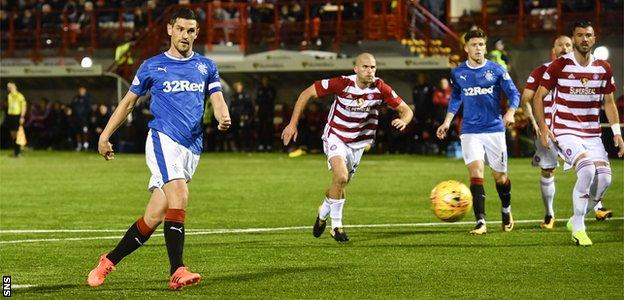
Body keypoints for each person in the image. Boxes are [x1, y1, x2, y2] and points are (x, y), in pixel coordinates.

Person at [87, 8, 231, 289]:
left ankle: (108, 261)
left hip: (192, 146)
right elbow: (128, 102)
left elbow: (217, 98)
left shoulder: (206, 66)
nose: (185, 35)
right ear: (170, 30)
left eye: (191, 31)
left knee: (153, 217)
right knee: (180, 194)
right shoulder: (152, 65)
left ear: (196, 33)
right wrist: (104, 135)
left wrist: (223, 115)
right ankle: (177, 270)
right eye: (180, 29)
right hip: (163, 139)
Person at [281, 53, 414, 242]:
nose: (370, 71)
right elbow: (306, 93)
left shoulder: (381, 88)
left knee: (339, 184)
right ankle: (336, 227)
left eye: (373, 67)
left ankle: (323, 212)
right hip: (336, 135)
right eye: (366, 67)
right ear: (356, 69)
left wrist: (404, 120)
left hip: (359, 143)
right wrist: (292, 124)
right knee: (341, 176)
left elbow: (406, 110)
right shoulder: (342, 83)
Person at [532, 20, 623, 246]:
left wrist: (616, 132)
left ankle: (575, 217)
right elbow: (537, 97)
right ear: (573, 39)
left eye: (588, 35)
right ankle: (580, 228)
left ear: (594, 38)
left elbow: (609, 103)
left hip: (592, 134)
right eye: (580, 35)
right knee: (587, 170)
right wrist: (544, 129)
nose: (584, 39)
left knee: (604, 180)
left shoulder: (604, 68)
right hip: (565, 131)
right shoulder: (560, 65)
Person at [522, 35, 613, 229]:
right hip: (547, 129)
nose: (564, 48)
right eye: (560, 45)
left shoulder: (586, 69)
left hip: (572, 129)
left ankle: (596, 206)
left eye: (568, 45)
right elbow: (527, 99)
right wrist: (536, 123)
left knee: (590, 167)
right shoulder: (541, 71)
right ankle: (549, 214)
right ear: (553, 49)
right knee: (548, 170)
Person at [436, 28, 520, 235]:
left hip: (494, 130)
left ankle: (506, 210)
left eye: (481, 45)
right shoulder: (458, 73)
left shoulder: (497, 70)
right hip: (470, 130)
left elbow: (514, 93)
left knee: (500, 178)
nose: (479, 48)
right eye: (474, 45)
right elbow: (456, 98)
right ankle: (480, 221)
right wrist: (447, 121)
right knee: (476, 173)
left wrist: (510, 112)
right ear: (466, 48)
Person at [5, 81, 27, 157]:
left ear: (15, 86)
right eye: (8, 87)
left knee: (17, 134)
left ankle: (18, 152)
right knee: (12, 134)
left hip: (16, 116)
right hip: (10, 116)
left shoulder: (20, 96)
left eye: (10, 86)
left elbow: (23, 107)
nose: (9, 88)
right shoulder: (9, 96)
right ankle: (15, 151)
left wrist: (22, 117)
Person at [256, 76, 276, 152]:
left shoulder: (271, 89)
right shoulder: (259, 89)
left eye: (266, 80)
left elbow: (271, 99)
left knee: (269, 129)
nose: (265, 82)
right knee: (260, 129)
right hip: (261, 112)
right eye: (263, 80)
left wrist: (263, 100)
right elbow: (257, 100)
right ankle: (261, 145)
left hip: (269, 112)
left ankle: (269, 145)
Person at [71, 86, 91, 151]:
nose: (81, 92)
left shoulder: (87, 99)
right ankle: (79, 145)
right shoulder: (75, 98)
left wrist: (84, 116)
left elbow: (88, 109)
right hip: (76, 119)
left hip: (84, 119)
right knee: (78, 132)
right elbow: (72, 107)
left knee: (84, 132)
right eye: (80, 90)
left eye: (82, 90)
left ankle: (85, 145)